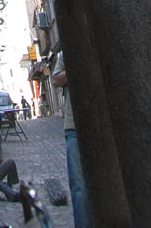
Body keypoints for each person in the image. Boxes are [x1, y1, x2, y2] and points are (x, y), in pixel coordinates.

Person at [52, 55, 93, 228]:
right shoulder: (65, 55)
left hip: (98, 127)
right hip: (73, 127)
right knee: (79, 186)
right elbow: (56, 79)